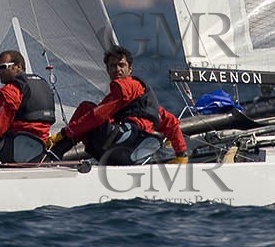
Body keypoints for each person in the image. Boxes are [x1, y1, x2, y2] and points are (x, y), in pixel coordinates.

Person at [46, 46, 188, 165]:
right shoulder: (145, 100)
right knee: (95, 122)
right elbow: (172, 122)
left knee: (86, 109)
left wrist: (63, 133)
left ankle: (53, 155)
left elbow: (97, 115)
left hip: (123, 140)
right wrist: (181, 156)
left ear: (130, 70)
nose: (117, 69)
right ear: (107, 70)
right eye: (112, 66)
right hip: (129, 143)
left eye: (121, 65)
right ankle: (142, 150)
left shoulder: (125, 87)